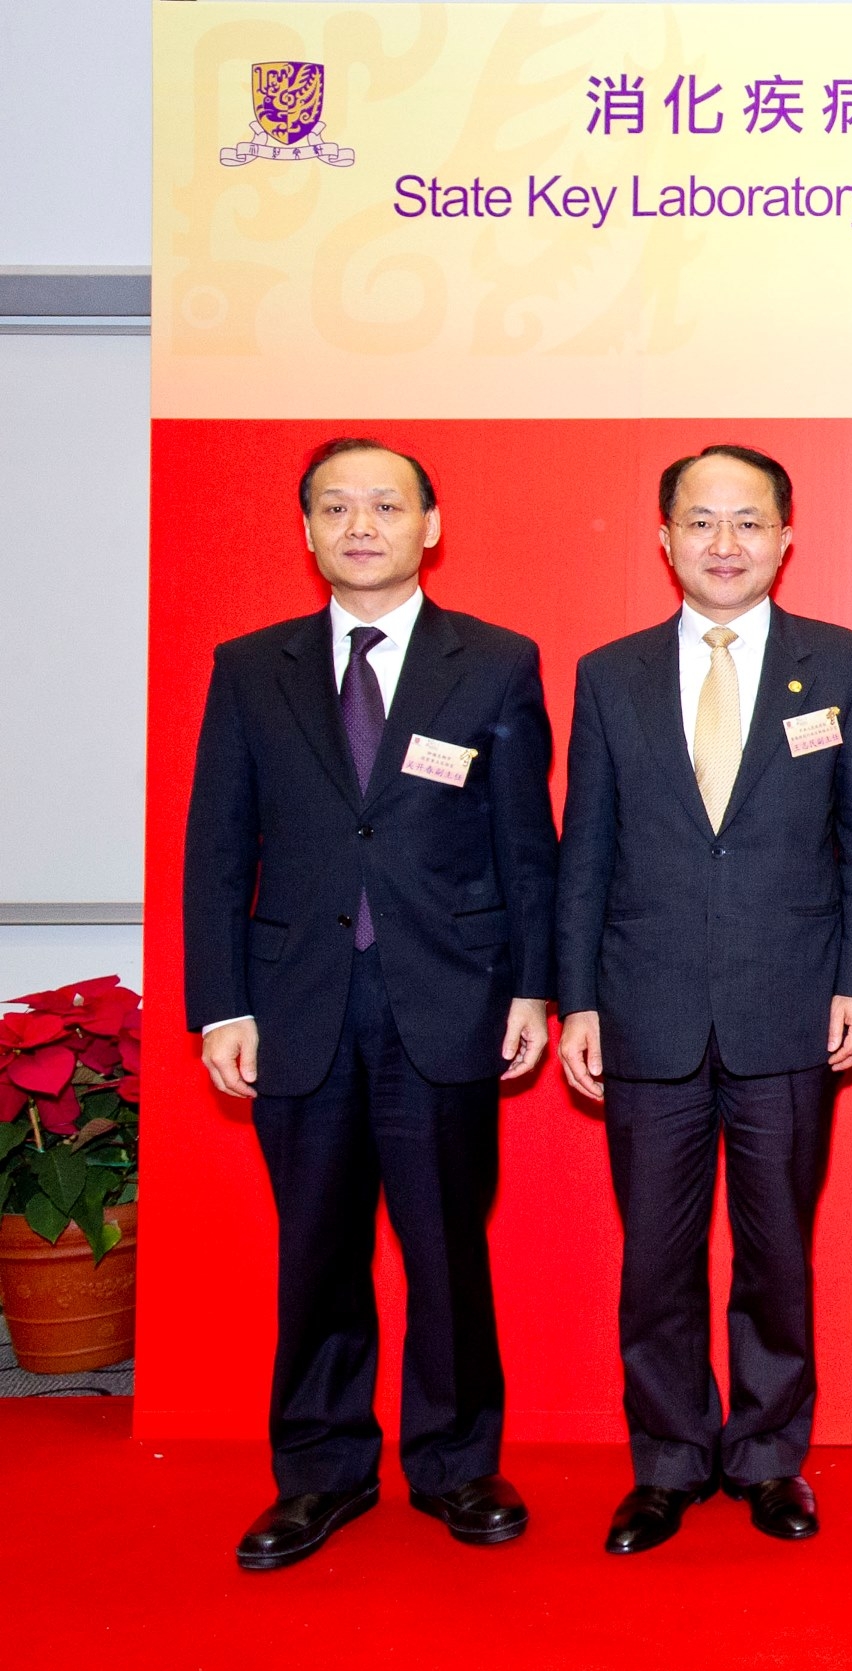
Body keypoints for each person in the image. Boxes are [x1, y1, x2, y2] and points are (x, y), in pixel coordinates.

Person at [185, 438, 557, 1569]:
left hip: (446, 1000)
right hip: (295, 1005)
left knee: (447, 1246)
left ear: (429, 524)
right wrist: (219, 1004)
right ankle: (322, 1471)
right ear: (304, 531)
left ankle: (454, 1463)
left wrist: (536, 987)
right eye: (336, 507)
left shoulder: (493, 661)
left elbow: (525, 846)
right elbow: (214, 850)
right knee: (317, 1248)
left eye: (385, 505)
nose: (361, 524)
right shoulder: (252, 668)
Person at [553, 445, 852, 1554]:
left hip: (790, 1007)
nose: (725, 544)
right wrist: (577, 999)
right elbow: (584, 852)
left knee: (775, 1248)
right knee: (654, 1255)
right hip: (642, 1008)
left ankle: (766, 1455)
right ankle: (666, 1462)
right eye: (701, 523)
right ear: (664, 539)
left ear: (787, 536)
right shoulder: (608, 675)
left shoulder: (844, 665)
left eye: (748, 522)